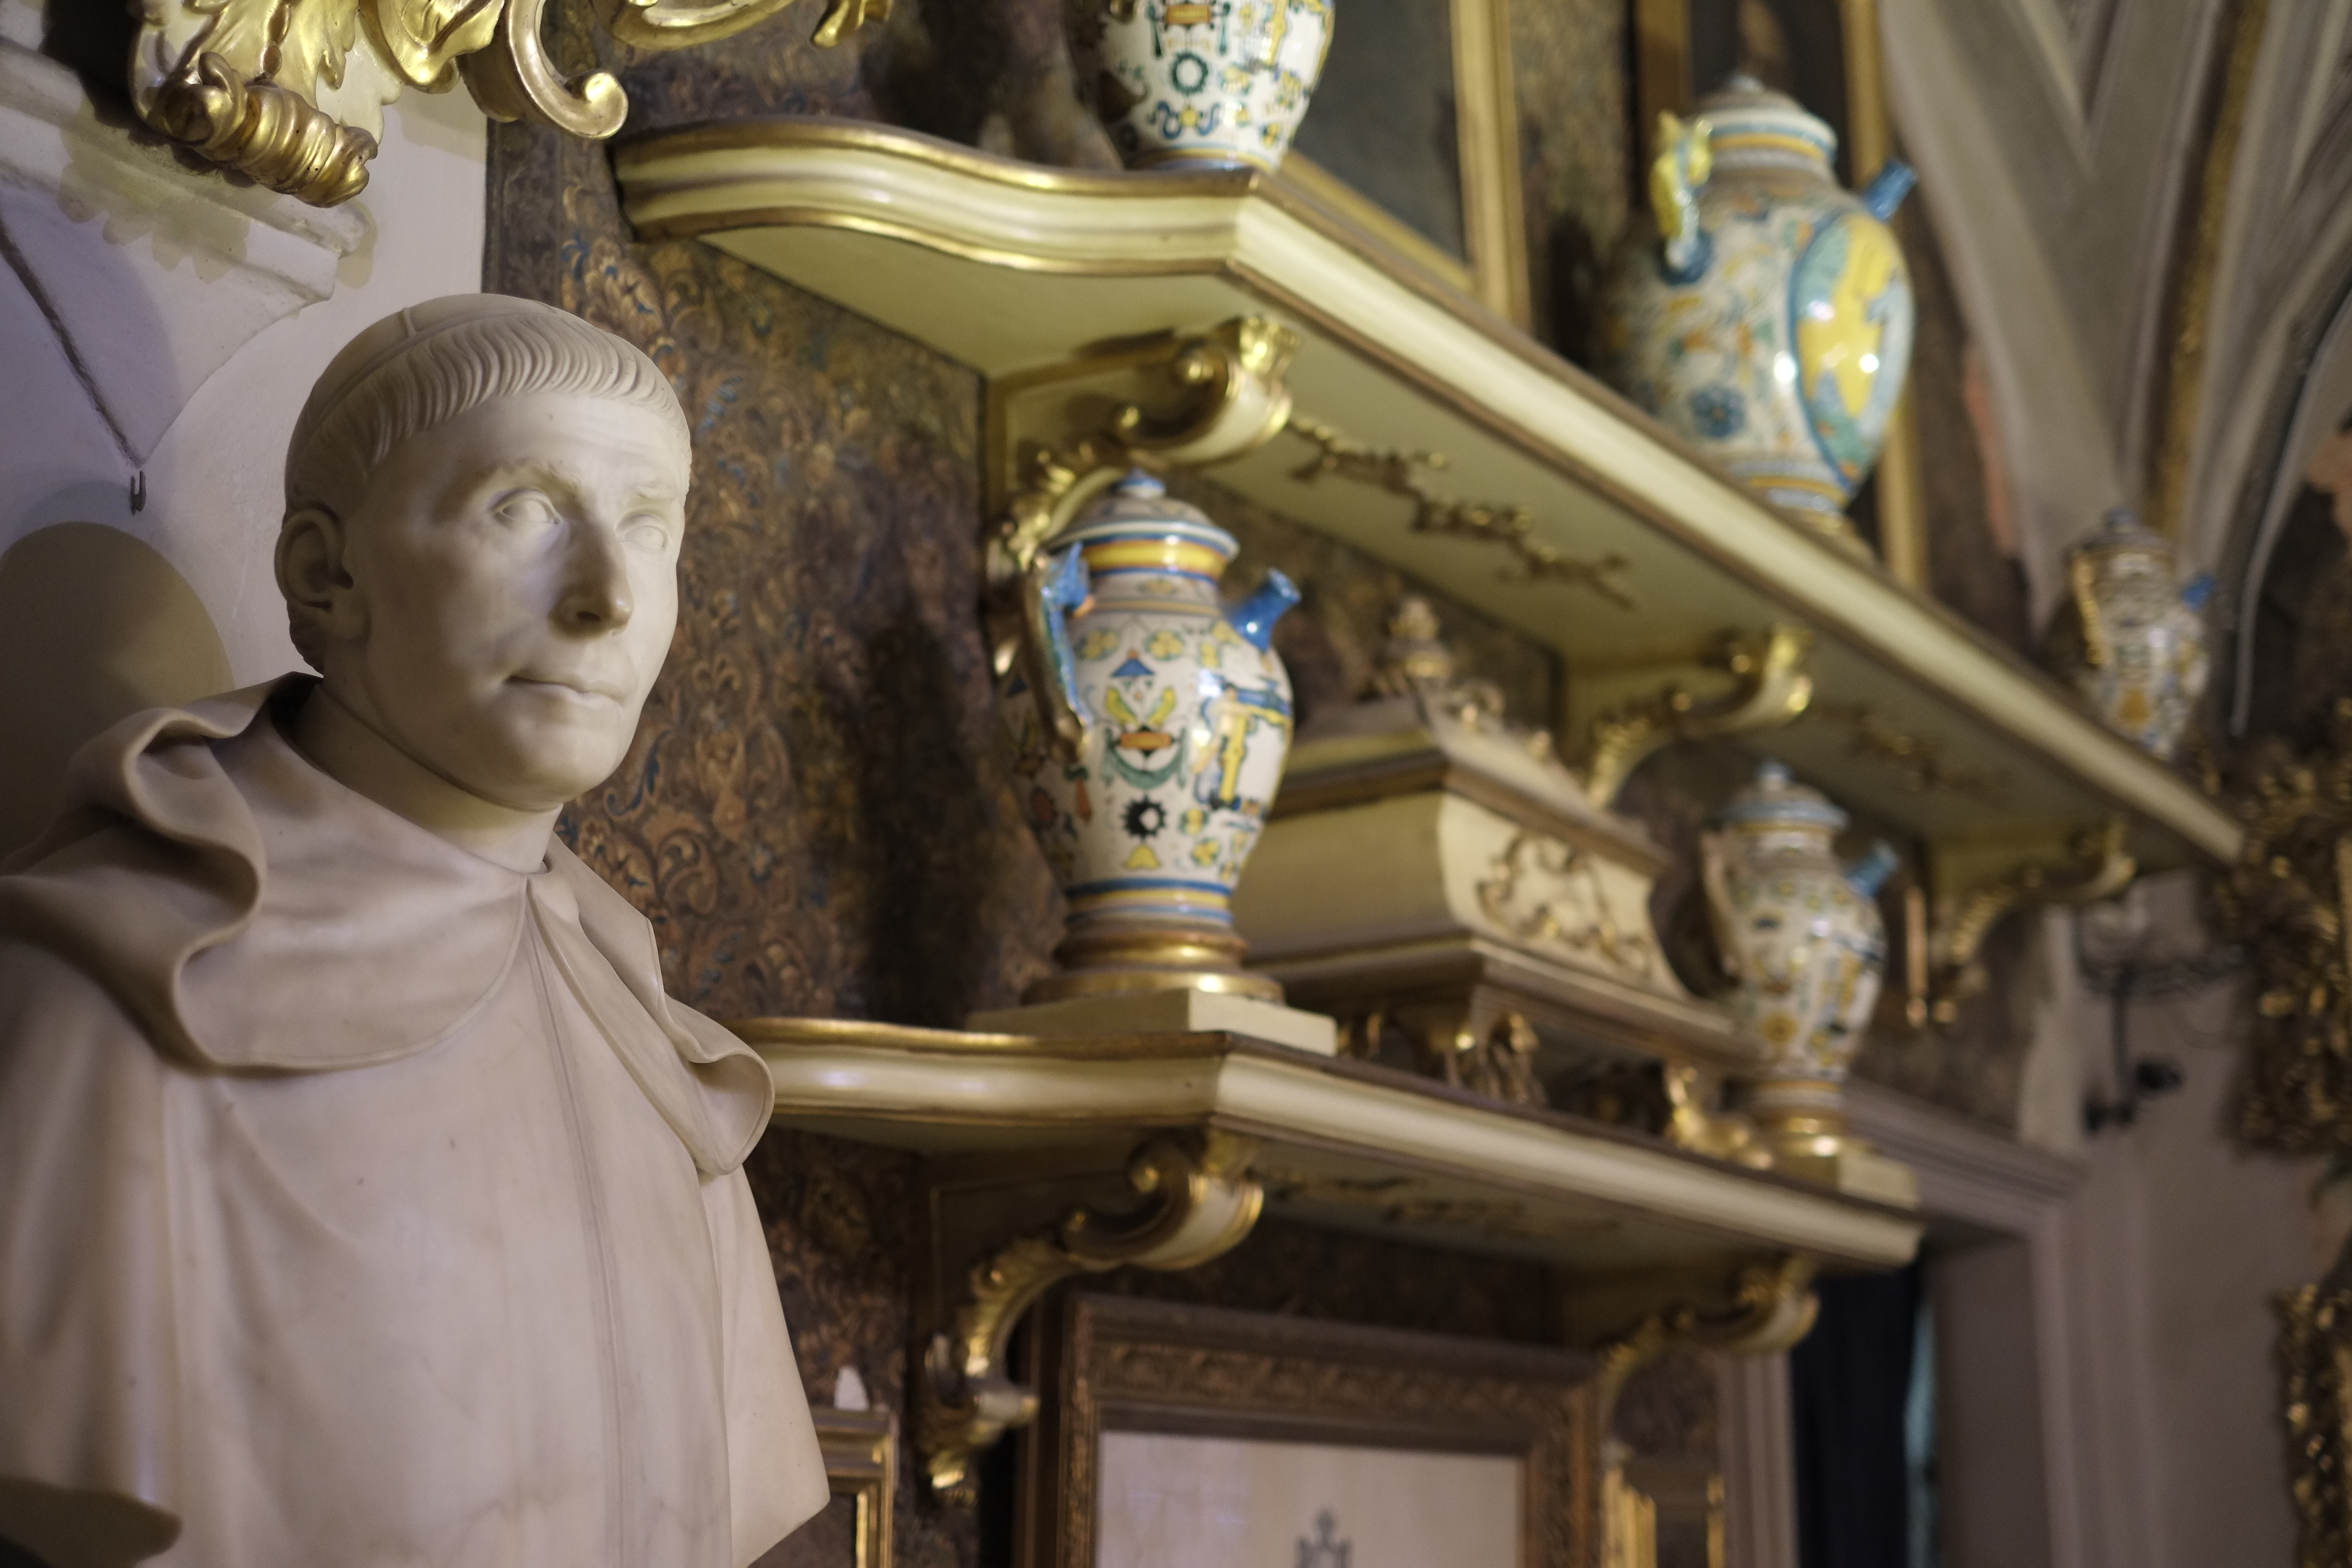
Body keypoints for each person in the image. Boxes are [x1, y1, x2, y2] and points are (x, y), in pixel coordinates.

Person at [0, 295, 827, 1568]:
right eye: (526, 509)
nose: (609, 597)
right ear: (324, 575)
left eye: (650, 528)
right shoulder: (123, 992)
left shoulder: (664, 1067)